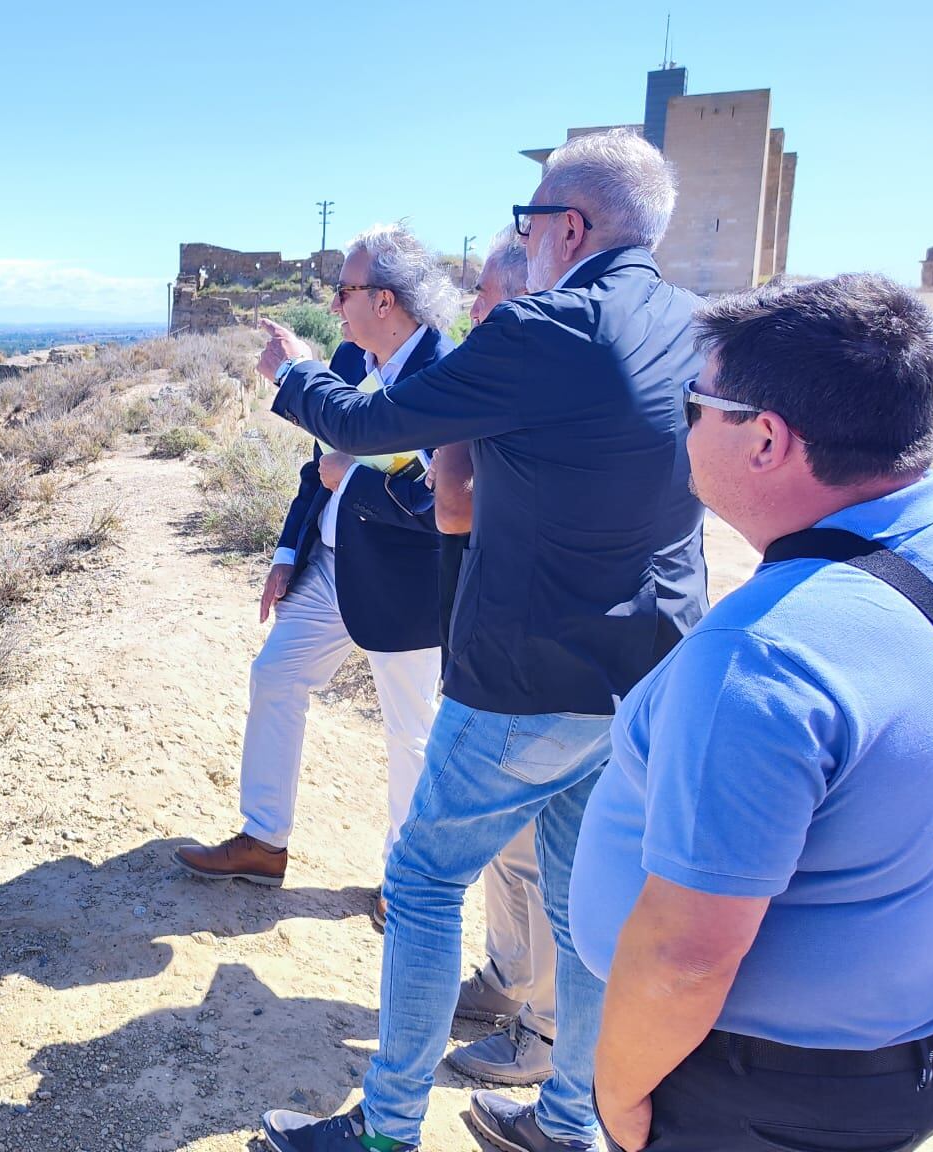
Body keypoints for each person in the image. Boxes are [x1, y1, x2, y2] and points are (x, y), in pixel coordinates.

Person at [253, 128, 708, 1152]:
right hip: (645, 674)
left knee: (421, 881)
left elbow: (380, 431)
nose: (523, 238)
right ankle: (564, 1123)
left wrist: (289, 376)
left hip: (527, 668)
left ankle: (385, 1129)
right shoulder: (693, 323)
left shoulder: (548, 326)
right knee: (582, 901)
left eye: (529, 219)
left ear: (572, 226)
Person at [573, 273, 933, 1151]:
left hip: (759, 1094)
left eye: (696, 402)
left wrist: (614, 1098)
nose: (683, 422)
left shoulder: (766, 649)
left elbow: (689, 952)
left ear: (766, 437)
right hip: (925, 1055)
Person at [175, 225, 458, 922]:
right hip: (330, 566)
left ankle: (406, 883)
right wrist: (285, 553)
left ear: (385, 300)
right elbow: (319, 464)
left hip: (405, 581)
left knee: (410, 733)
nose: (334, 305)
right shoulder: (353, 358)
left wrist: (349, 476)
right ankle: (264, 843)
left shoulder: (446, 376)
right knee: (275, 677)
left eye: (345, 291)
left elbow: (436, 502)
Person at [430, 228, 561, 1090]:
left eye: (481, 295)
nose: (470, 311)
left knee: (549, 852)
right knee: (515, 846)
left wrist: (450, 419)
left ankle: (546, 1036)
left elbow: (454, 507)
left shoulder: (537, 382)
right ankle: (511, 984)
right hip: (507, 642)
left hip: (551, 657)